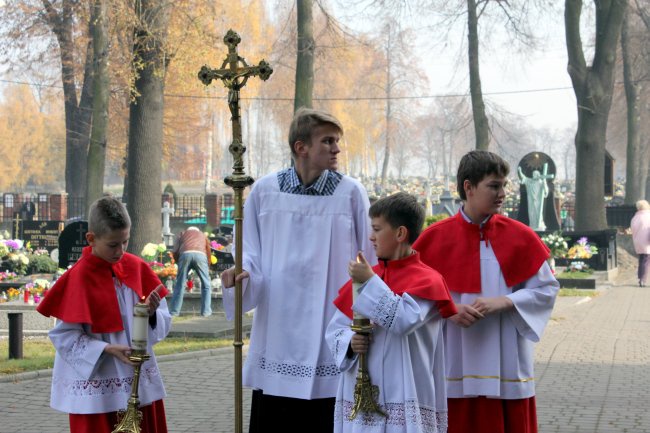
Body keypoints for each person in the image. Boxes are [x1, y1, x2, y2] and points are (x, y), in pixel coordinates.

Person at [221, 107, 376, 433]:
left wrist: (366, 317)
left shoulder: (350, 193)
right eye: (328, 141)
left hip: (330, 323)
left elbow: (369, 257)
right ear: (301, 147)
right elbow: (248, 252)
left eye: (337, 141)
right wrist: (239, 276)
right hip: (278, 326)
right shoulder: (264, 191)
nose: (336, 149)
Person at [413, 150, 559, 433]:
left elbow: (547, 290)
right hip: (452, 357)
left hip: (506, 360)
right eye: (494, 185)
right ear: (468, 187)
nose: (502, 193)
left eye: (504, 185)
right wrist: (448, 309)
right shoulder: (434, 238)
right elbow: (411, 298)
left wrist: (505, 301)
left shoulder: (521, 236)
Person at [36, 196, 171, 433]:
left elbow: (162, 320)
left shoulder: (136, 267)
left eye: (125, 243)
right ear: (91, 238)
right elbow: (64, 337)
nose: (120, 251)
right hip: (97, 389)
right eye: (113, 245)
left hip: (137, 380)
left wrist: (150, 314)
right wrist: (106, 349)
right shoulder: (78, 278)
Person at [326, 192, 457, 433]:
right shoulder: (365, 279)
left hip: (405, 393)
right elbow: (335, 329)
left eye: (377, 229)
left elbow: (403, 321)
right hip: (361, 395)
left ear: (400, 234)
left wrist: (370, 282)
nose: (371, 237)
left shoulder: (427, 280)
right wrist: (350, 343)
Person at [169, 226, 212, 316]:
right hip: (200, 255)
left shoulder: (182, 234)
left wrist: (178, 262)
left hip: (185, 254)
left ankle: (174, 312)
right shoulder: (202, 235)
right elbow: (208, 251)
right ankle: (206, 312)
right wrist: (208, 265)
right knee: (206, 284)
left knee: (180, 284)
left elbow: (175, 250)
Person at [517, 165, 554, 231]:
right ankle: (533, 225)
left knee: (538, 214)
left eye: (535, 174)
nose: (533, 175)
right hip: (531, 201)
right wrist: (520, 171)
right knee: (531, 214)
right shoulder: (530, 181)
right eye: (533, 174)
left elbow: (546, 192)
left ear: (538, 175)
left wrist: (544, 184)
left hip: (538, 201)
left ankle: (539, 224)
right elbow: (524, 177)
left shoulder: (541, 182)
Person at [630, 199, 650, 287]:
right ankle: (643, 279)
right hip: (647, 241)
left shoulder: (635, 217)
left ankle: (641, 278)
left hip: (638, 241)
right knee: (645, 260)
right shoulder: (648, 216)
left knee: (642, 259)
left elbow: (633, 229)